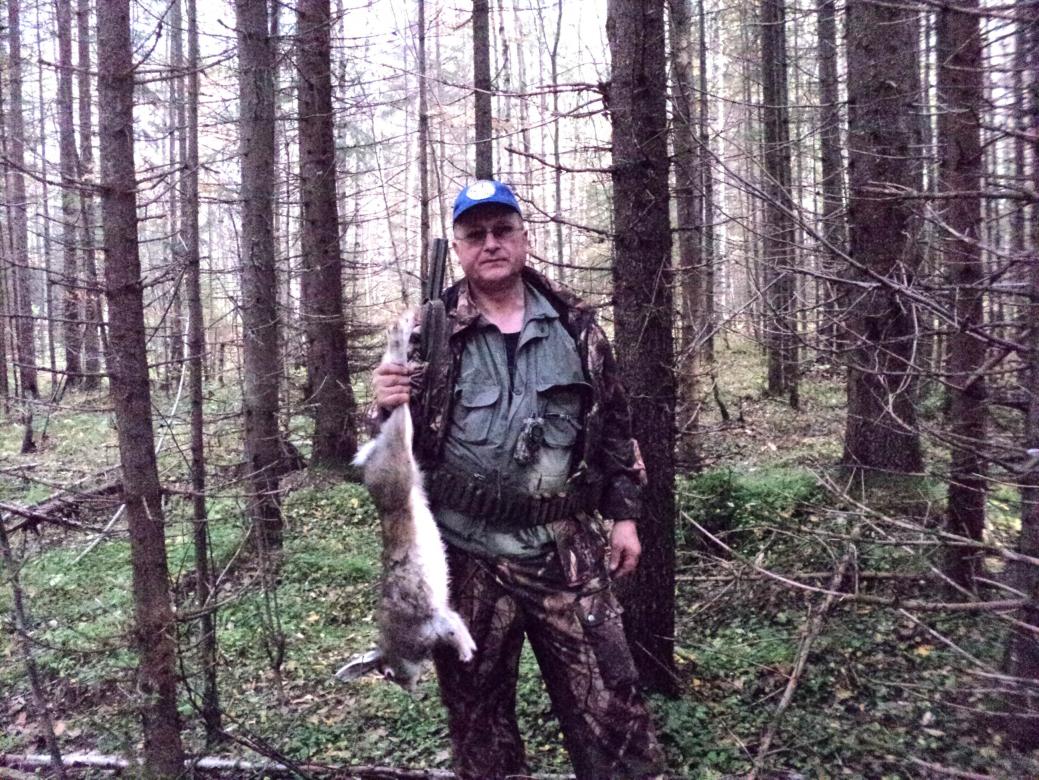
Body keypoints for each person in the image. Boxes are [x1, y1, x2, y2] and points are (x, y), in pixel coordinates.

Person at [371, 179, 665, 780]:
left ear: (524, 239)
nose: (491, 243)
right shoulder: (428, 330)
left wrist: (625, 516)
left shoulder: (576, 326)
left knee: (614, 714)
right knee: (480, 729)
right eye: (475, 234)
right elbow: (388, 448)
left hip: (563, 550)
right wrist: (382, 403)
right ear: (458, 247)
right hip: (466, 555)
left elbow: (614, 425)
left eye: (503, 230)